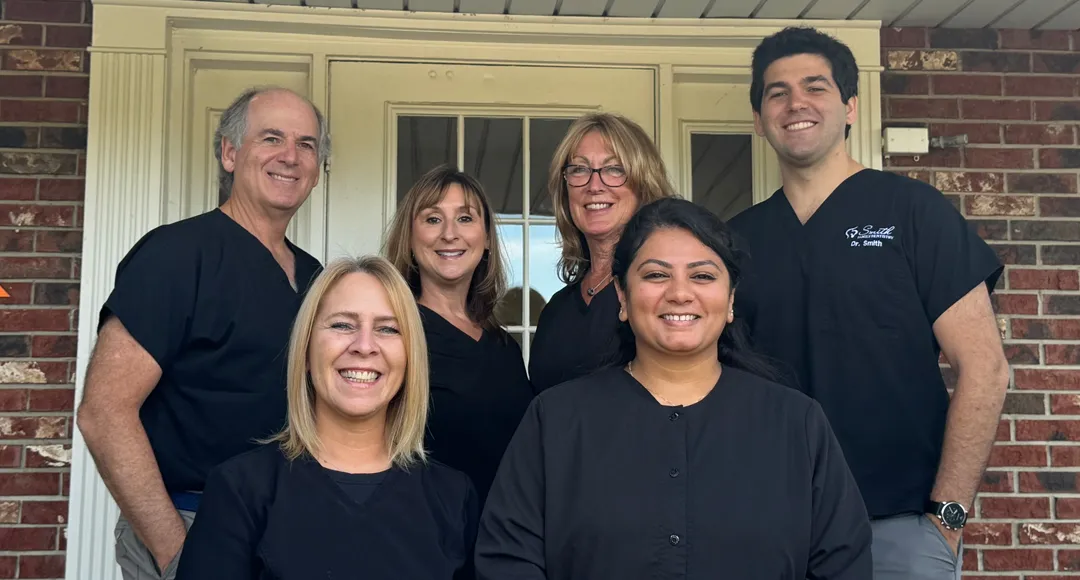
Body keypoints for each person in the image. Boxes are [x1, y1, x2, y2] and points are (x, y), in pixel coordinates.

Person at [728, 26, 1009, 579]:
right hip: (770, 529)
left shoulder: (913, 213)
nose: (795, 103)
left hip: (899, 529)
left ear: (850, 106)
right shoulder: (735, 241)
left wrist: (946, 517)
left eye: (816, 86)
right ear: (759, 120)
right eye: (776, 92)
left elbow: (986, 368)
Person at [475, 197, 872, 579]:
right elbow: (508, 559)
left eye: (702, 275)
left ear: (730, 299)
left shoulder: (797, 425)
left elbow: (841, 564)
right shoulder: (556, 421)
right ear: (622, 296)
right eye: (656, 275)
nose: (680, 293)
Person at [76, 86, 327, 580]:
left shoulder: (315, 277)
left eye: (307, 144)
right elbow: (103, 412)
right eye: (271, 138)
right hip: (195, 523)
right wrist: (179, 555)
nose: (291, 157)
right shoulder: (175, 255)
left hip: (288, 531)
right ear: (230, 153)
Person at [174, 256, 478, 579]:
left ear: (410, 358)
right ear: (305, 351)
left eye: (388, 329)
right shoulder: (240, 491)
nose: (364, 346)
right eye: (342, 325)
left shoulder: (454, 499)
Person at [384, 165, 535, 506]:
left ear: (485, 240)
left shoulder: (503, 347)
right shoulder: (394, 334)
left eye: (465, 219)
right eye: (433, 219)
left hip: (501, 539)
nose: (449, 234)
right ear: (410, 239)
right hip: (424, 538)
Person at [528, 112, 677, 392]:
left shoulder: (668, 290)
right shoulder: (556, 311)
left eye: (614, 169)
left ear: (643, 183)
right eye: (579, 170)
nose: (594, 186)